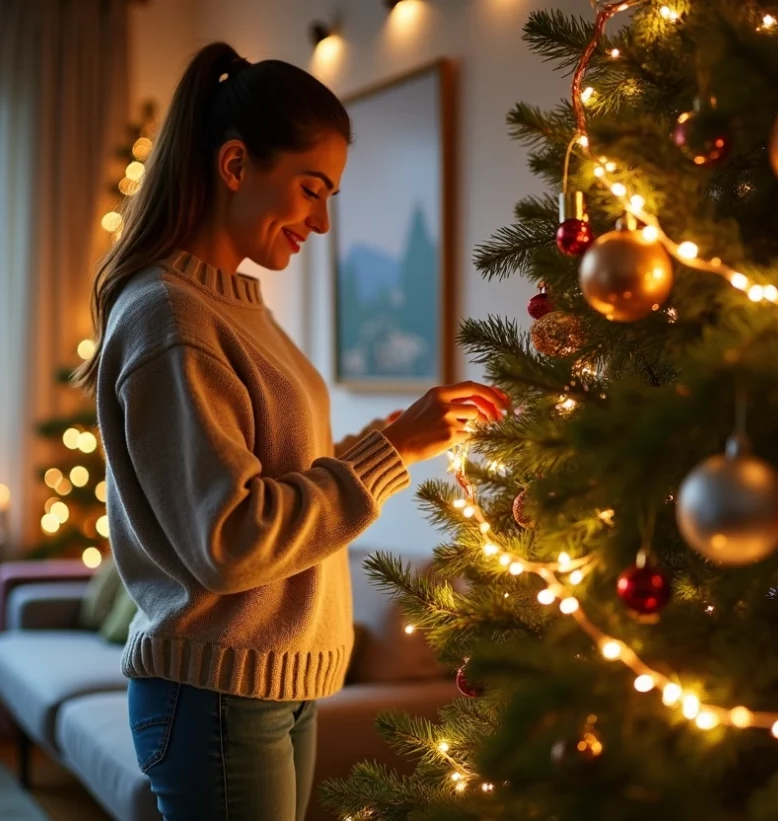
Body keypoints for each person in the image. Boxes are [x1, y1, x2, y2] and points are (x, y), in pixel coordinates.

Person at [72, 41, 510, 821]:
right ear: (236, 165)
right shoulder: (172, 316)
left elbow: (265, 478)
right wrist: (391, 450)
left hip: (269, 683)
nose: (323, 219)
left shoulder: (232, 304)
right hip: (217, 695)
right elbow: (233, 536)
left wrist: (382, 441)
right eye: (312, 188)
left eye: (332, 193)